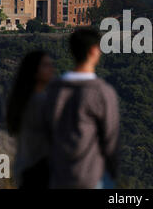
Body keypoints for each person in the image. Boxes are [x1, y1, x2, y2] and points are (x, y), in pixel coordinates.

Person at [45, 28, 119, 189]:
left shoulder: (52, 90)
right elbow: (110, 140)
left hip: (56, 177)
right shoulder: (103, 93)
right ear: (93, 51)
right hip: (90, 177)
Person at [6, 50, 55, 188]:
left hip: (24, 169)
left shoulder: (20, 100)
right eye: (46, 65)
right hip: (40, 172)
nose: (52, 68)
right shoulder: (40, 102)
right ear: (34, 71)